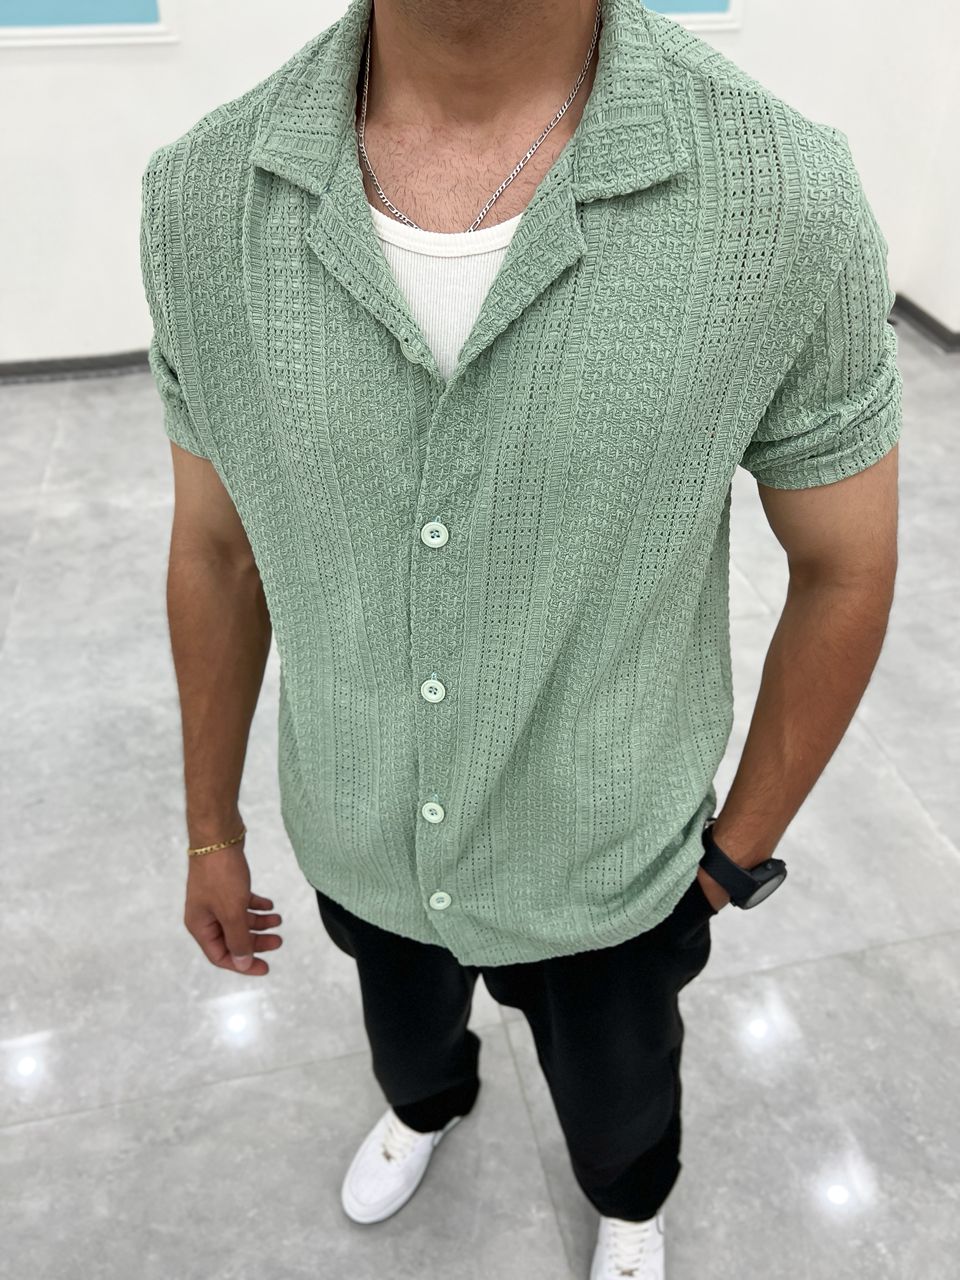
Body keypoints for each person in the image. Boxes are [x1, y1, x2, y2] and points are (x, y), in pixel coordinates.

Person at [140, 0, 901, 1275]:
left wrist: (733, 856)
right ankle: (426, 1103)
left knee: (621, 1100)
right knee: (405, 1036)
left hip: (612, 864)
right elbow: (218, 551)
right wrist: (210, 828)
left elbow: (846, 564)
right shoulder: (200, 202)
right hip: (360, 832)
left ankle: (631, 1203)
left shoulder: (782, 197)